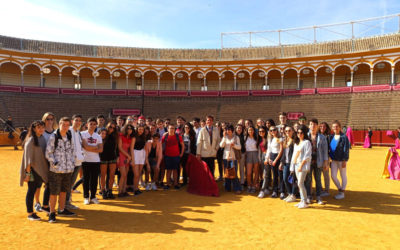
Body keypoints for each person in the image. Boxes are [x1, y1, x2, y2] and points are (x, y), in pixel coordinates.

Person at [45, 117, 76, 222]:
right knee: (54, 192)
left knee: (64, 191)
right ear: (59, 124)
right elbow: (48, 152)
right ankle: (52, 213)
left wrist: (72, 163)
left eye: (67, 125)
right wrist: (55, 164)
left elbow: (72, 150)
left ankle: (61, 209)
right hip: (56, 171)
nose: (65, 127)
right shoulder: (54, 136)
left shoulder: (69, 135)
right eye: (64, 125)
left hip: (67, 170)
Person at [20, 120, 48, 221]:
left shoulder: (42, 138)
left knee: (41, 187)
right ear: (34, 128)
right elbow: (28, 160)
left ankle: (44, 206)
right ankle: (30, 213)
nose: (41, 129)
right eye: (39, 127)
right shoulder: (31, 140)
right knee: (31, 191)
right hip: (32, 170)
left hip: (41, 169)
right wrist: (27, 174)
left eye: (42, 127)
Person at [36, 112, 58, 213]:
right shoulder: (41, 132)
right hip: (41, 161)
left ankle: (46, 205)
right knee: (38, 184)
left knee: (49, 184)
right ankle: (37, 203)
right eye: (47, 119)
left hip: (51, 162)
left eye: (51, 119)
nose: (49, 121)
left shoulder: (56, 132)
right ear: (44, 120)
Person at [306, 119, 329, 205]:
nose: (313, 126)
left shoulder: (322, 137)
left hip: (318, 161)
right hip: (308, 161)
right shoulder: (306, 136)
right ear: (309, 126)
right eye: (311, 124)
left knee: (318, 179)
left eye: (315, 124)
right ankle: (309, 196)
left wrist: (326, 162)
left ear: (317, 126)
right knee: (308, 179)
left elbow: (325, 151)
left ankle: (319, 196)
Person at [81, 117, 103, 205]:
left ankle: (93, 196)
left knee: (94, 180)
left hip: (96, 161)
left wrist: (88, 147)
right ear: (87, 124)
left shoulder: (98, 136)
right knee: (86, 179)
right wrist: (95, 147)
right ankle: (86, 197)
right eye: (91, 124)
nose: (92, 126)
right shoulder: (82, 134)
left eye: (94, 124)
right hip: (85, 160)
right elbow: (84, 146)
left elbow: (101, 149)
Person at [290, 125, 312, 209]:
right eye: (298, 132)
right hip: (296, 164)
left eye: (301, 133)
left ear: (305, 133)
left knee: (300, 183)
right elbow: (294, 155)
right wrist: (292, 166)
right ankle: (302, 200)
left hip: (302, 165)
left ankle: (305, 201)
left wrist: (301, 166)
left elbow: (307, 156)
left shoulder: (307, 142)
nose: (299, 134)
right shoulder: (297, 143)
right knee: (300, 184)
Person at [66, 114, 84, 210]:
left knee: (71, 183)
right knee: (67, 183)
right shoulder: (68, 131)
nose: (78, 122)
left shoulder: (78, 133)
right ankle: (66, 202)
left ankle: (68, 200)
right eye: (76, 120)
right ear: (72, 121)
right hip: (70, 162)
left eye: (79, 120)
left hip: (78, 162)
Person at [328, 120, 350, 200]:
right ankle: (340, 189)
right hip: (334, 160)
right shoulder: (331, 137)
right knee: (333, 176)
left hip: (341, 159)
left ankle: (342, 193)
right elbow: (330, 149)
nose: (335, 128)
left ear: (340, 127)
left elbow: (346, 149)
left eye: (337, 126)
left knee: (343, 175)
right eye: (334, 127)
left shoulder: (344, 137)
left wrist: (345, 160)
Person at [219, 124, 242, 194]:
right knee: (227, 173)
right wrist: (223, 138)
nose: (228, 131)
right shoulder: (225, 137)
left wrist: (234, 145)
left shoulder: (236, 137)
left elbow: (240, 147)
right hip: (226, 157)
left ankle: (237, 188)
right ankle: (227, 187)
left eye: (229, 130)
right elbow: (221, 145)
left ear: (232, 130)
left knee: (234, 172)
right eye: (227, 130)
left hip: (233, 158)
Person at [99, 122, 118, 199]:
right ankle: (103, 191)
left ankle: (110, 191)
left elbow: (116, 148)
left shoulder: (115, 136)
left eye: (113, 128)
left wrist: (118, 156)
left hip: (112, 157)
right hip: (103, 157)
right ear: (107, 126)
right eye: (110, 127)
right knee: (103, 175)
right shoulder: (103, 134)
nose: (111, 129)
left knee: (112, 175)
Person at [162, 124, 184, 189]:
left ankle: (175, 184)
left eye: (173, 128)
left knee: (175, 170)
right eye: (170, 128)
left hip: (176, 156)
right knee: (168, 171)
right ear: (168, 129)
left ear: (174, 129)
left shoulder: (178, 136)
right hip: (167, 156)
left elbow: (182, 145)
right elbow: (160, 145)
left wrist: (181, 153)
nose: (171, 130)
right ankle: (168, 184)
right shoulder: (165, 136)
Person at [263, 126, 283, 198]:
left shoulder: (280, 139)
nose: (272, 132)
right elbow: (269, 149)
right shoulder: (271, 139)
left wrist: (276, 160)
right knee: (274, 176)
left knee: (280, 175)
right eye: (271, 130)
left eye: (274, 130)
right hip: (272, 157)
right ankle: (275, 191)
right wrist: (268, 158)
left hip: (278, 157)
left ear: (277, 130)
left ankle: (282, 191)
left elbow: (281, 151)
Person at [117, 124, 134, 197]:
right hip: (121, 156)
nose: (129, 130)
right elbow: (120, 148)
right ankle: (119, 192)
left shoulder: (130, 138)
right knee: (123, 175)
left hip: (127, 157)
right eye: (128, 128)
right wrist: (128, 156)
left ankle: (124, 191)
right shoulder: (120, 136)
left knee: (125, 175)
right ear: (125, 129)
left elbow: (131, 149)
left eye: (131, 129)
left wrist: (130, 158)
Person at [280, 126, 297, 203]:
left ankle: (293, 195)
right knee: (285, 179)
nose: (287, 132)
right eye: (286, 131)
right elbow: (284, 153)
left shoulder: (295, 141)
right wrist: (281, 162)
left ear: (292, 131)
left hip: (292, 163)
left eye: (289, 131)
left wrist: (294, 164)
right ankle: (290, 194)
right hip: (286, 163)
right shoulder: (285, 140)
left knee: (292, 180)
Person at [131, 125, 147, 195]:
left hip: (141, 154)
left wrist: (145, 158)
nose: (140, 130)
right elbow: (131, 148)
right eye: (139, 129)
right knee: (136, 174)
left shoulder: (143, 137)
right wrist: (133, 159)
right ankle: (135, 189)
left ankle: (137, 188)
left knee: (139, 173)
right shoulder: (134, 137)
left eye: (142, 129)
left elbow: (144, 148)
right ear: (137, 129)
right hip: (135, 154)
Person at [245, 126, 259, 193]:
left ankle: (253, 186)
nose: (250, 131)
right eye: (249, 130)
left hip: (256, 154)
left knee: (256, 172)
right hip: (248, 155)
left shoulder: (256, 138)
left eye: (252, 130)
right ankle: (249, 185)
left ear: (254, 131)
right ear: (247, 131)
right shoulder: (245, 138)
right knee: (249, 173)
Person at [319, 122, 331, 197]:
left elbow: (331, 148)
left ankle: (327, 190)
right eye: (321, 126)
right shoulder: (317, 135)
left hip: (326, 158)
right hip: (319, 158)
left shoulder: (329, 136)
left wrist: (328, 159)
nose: (322, 128)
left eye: (324, 127)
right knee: (318, 175)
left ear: (326, 128)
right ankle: (320, 189)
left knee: (326, 174)